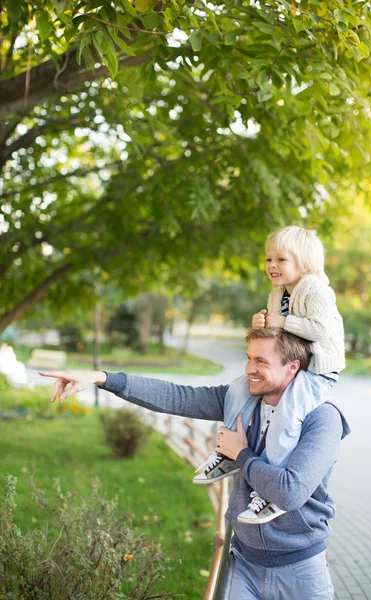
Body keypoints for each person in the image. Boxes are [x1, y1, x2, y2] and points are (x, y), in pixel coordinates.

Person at [40, 326, 350, 600]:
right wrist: (102, 378)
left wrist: (240, 454)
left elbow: (290, 492)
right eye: (248, 358)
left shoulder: (323, 419)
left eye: (261, 361)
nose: (249, 369)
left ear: (292, 367)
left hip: (300, 572)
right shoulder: (242, 400)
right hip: (243, 564)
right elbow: (175, 396)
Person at [193, 226, 346, 527]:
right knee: (238, 390)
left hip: (318, 372)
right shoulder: (278, 294)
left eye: (281, 260)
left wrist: (283, 320)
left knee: (286, 414)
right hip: (292, 367)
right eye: (268, 260)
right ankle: (228, 453)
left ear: (303, 263)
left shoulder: (317, 290)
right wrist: (263, 324)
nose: (272, 266)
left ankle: (271, 492)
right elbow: (277, 337)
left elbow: (321, 330)